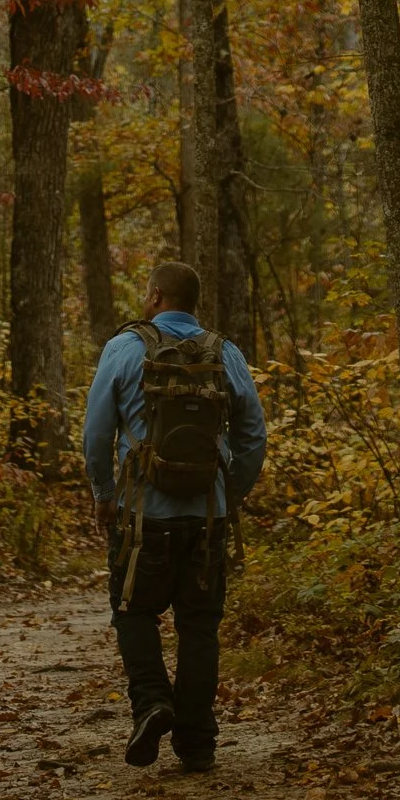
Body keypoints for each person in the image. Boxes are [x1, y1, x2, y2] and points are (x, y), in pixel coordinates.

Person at [83, 259, 266, 773]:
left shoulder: (123, 349)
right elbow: (253, 435)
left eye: (147, 294)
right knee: (200, 625)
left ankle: (151, 703)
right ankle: (198, 743)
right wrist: (229, 492)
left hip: (142, 515)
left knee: (133, 611)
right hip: (207, 516)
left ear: (157, 296)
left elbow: (97, 433)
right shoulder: (223, 352)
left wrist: (103, 492)